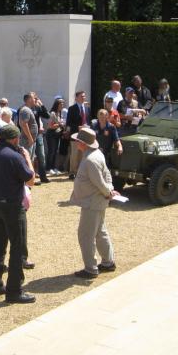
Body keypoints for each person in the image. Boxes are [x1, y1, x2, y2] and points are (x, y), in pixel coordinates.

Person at [0, 124, 36, 303]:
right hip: (13, 206)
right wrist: (28, 158)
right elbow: (31, 179)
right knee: (17, 247)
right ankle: (14, 290)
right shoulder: (15, 156)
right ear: (14, 139)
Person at [69, 128, 118, 279]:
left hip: (92, 202)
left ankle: (90, 268)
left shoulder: (90, 159)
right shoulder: (97, 155)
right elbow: (106, 176)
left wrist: (108, 192)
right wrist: (109, 190)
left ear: (83, 143)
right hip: (96, 201)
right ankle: (108, 262)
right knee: (100, 232)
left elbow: (100, 181)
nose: (76, 142)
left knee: (86, 235)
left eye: (78, 140)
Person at [66, 91, 91, 179]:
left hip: (85, 135)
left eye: (84, 96)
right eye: (81, 96)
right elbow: (68, 123)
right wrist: (78, 127)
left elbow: (89, 120)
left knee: (83, 154)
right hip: (75, 135)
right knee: (75, 154)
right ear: (76, 98)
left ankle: (80, 172)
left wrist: (88, 126)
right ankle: (72, 172)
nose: (83, 98)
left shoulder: (87, 108)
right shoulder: (72, 108)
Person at [31, 92, 50, 184]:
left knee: (41, 156)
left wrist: (41, 104)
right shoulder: (24, 108)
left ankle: (43, 177)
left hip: (38, 135)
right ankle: (30, 178)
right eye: (34, 98)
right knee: (30, 157)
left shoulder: (37, 108)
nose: (35, 100)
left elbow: (47, 115)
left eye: (36, 98)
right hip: (28, 135)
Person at [45, 98, 66, 175]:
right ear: (57, 104)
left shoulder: (59, 113)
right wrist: (60, 124)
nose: (62, 105)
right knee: (51, 152)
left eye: (63, 104)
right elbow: (50, 126)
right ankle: (48, 168)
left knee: (55, 152)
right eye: (61, 104)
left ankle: (53, 168)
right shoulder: (53, 113)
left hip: (57, 134)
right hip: (51, 134)